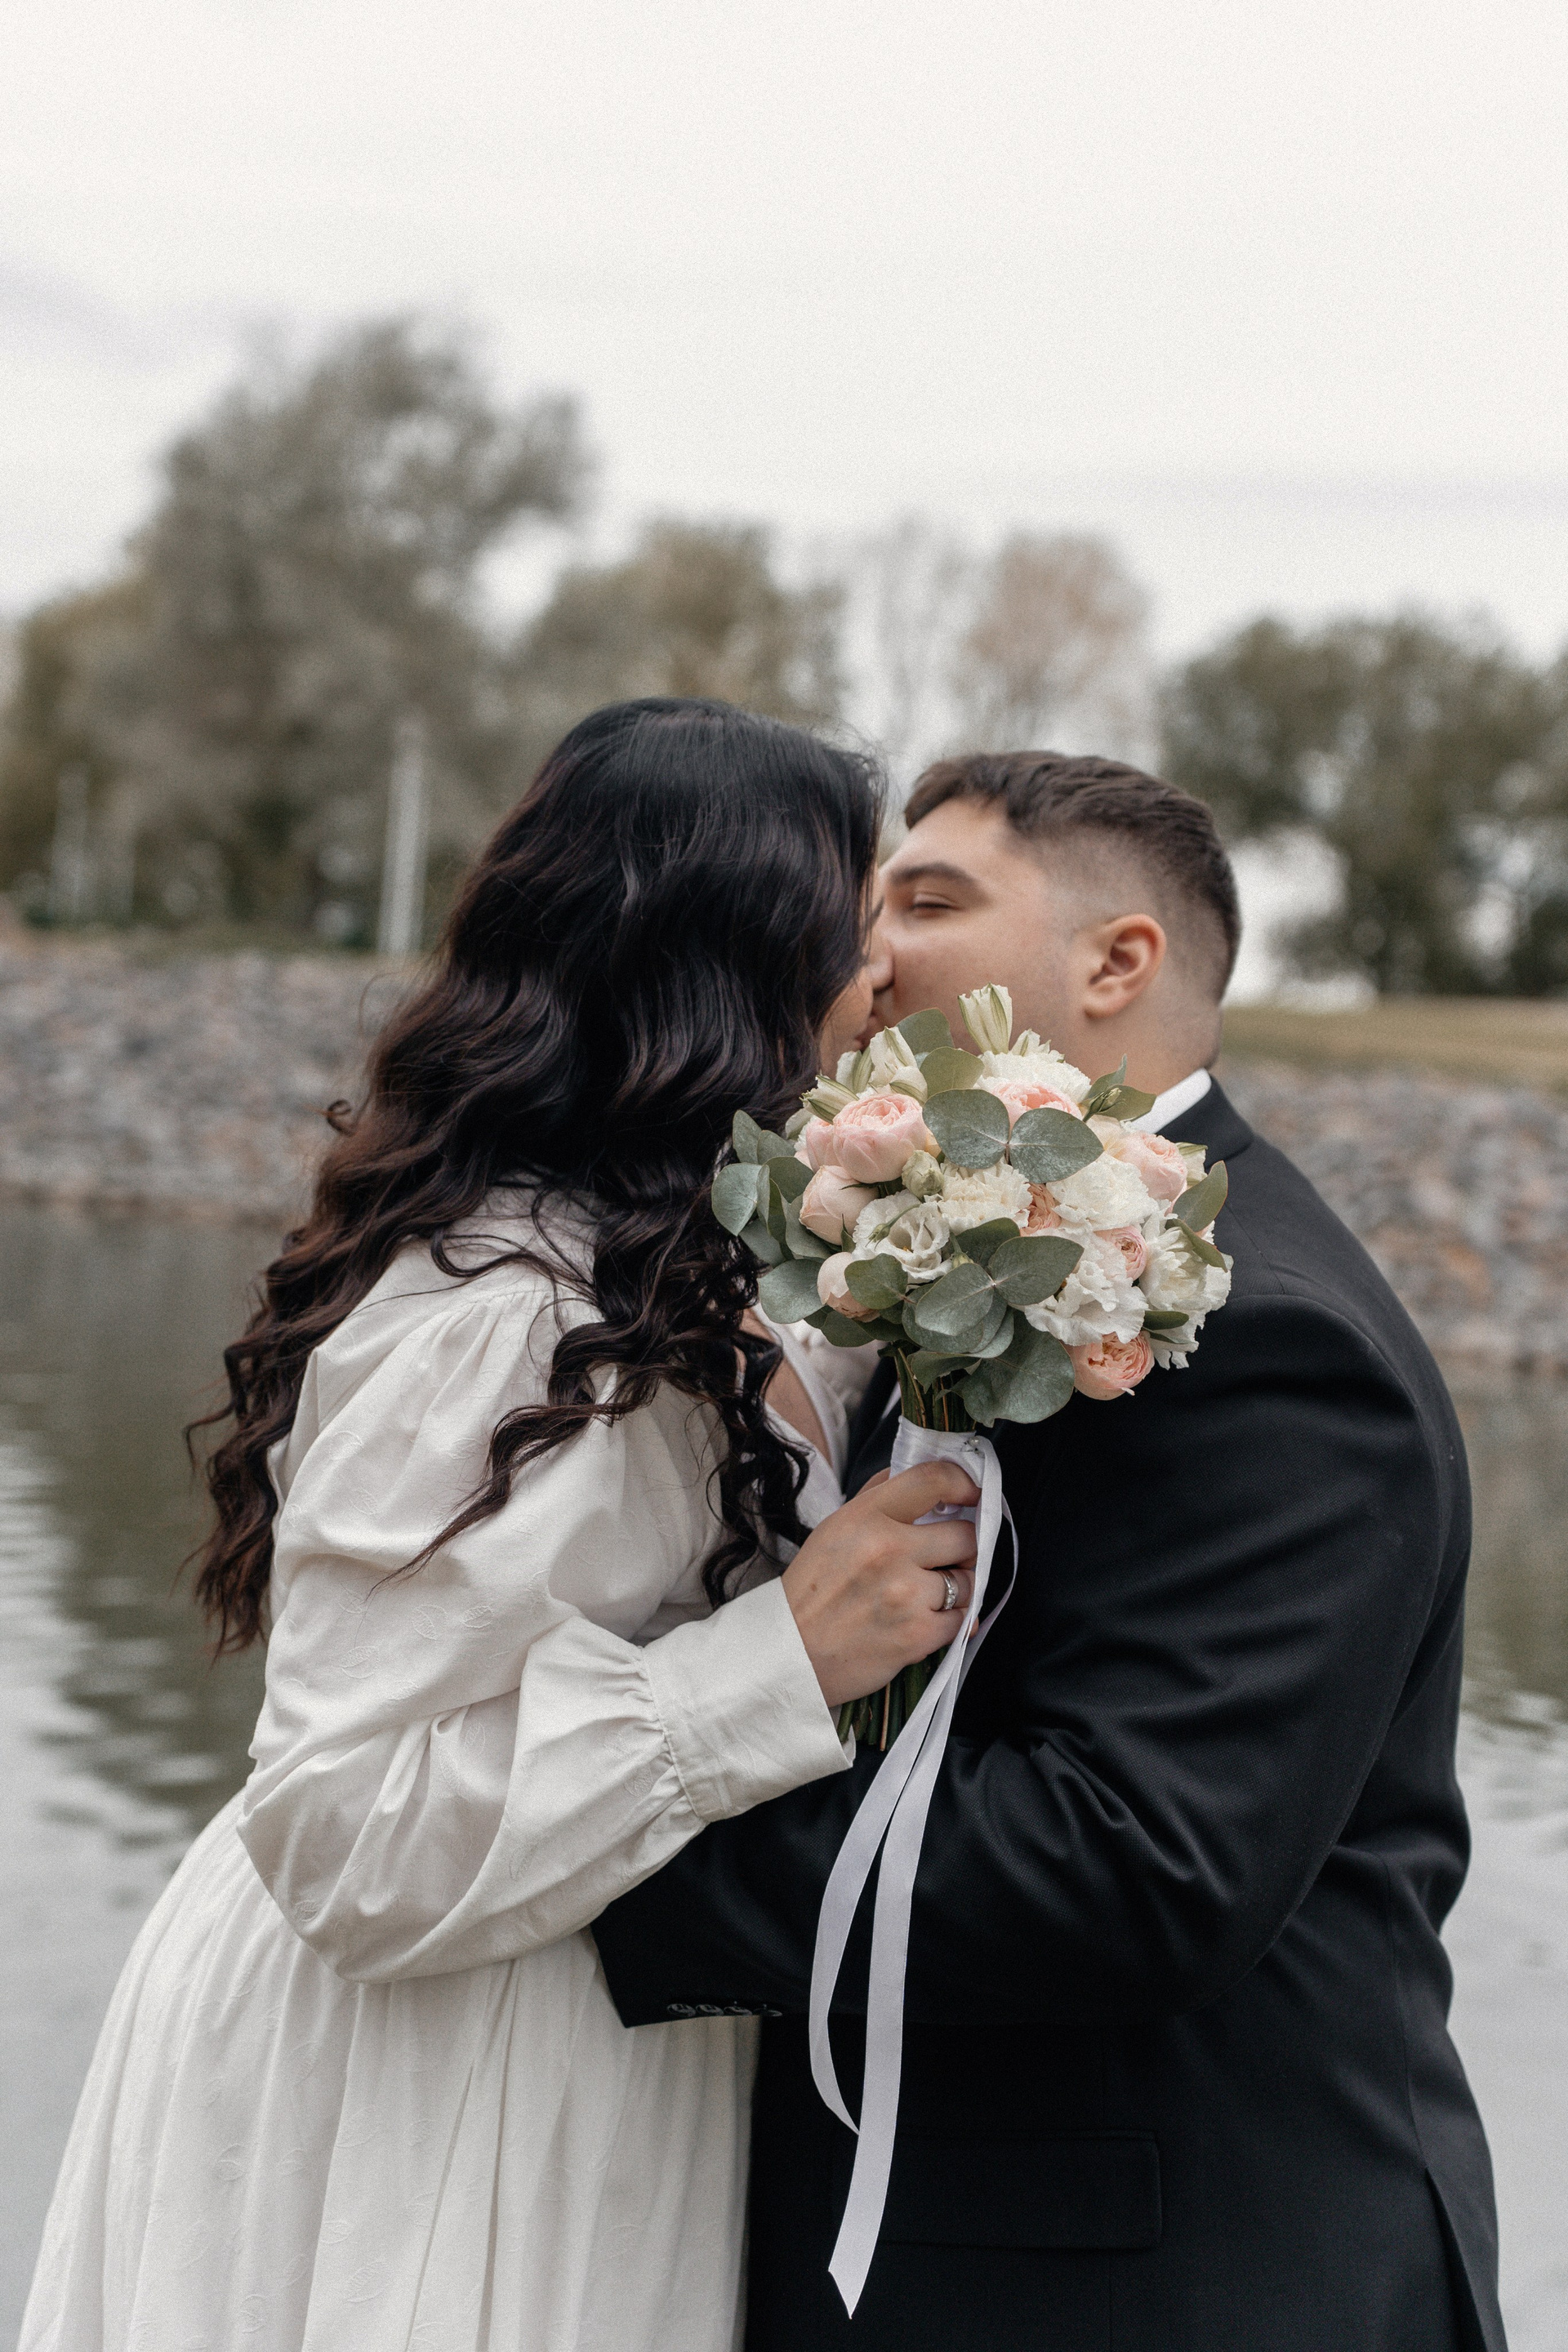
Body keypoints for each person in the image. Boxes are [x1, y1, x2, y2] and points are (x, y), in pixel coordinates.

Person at [20, 698, 982, 2352]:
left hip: (603, 2050)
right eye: (852, 921)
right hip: (420, 2080)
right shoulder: (500, 1316)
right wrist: (776, 1664)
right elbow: (340, 1830)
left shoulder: (722, 1272)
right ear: (728, 963)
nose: (884, 967)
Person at [593, 752, 1507, 2352]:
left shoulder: (1269, 1335)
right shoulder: (956, 1252)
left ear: (1116, 963)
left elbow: (1131, 1863)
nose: (867, 952)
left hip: (1174, 2281)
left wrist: (596, 1838)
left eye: (929, 902)